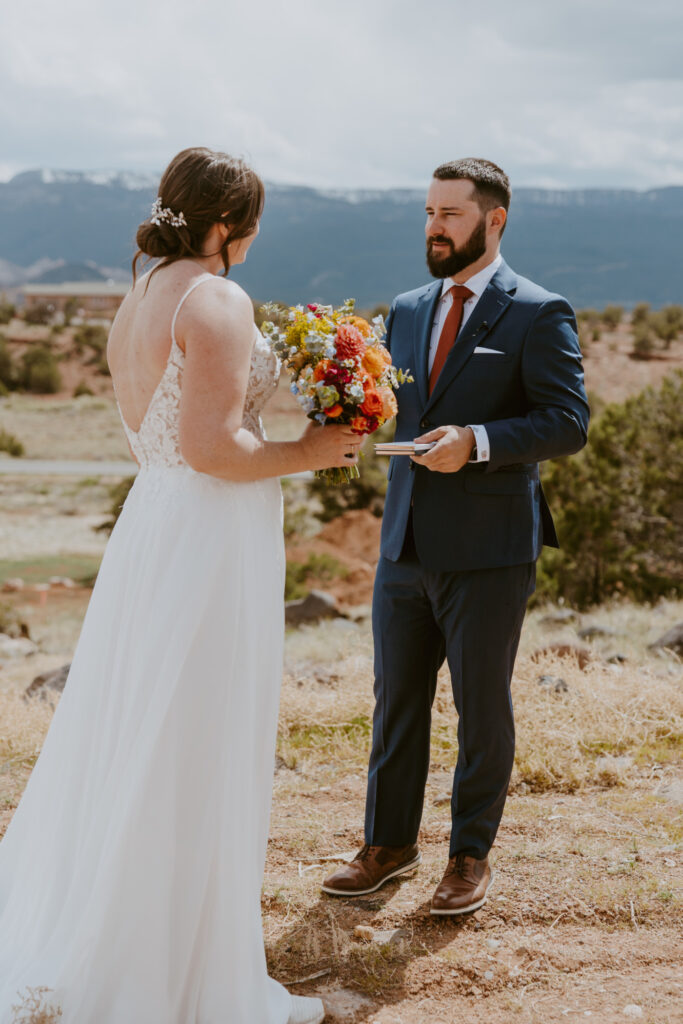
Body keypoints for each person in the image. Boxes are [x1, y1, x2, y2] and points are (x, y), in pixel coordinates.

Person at [0, 148, 356, 1024]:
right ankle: (172, 975)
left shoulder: (141, 296)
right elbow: (213, 448)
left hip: (156, 524)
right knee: (195, 731)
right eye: (254, 223)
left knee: (143, 727)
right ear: (229, 225)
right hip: (209, 531)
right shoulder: (216, 298)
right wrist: (315, 452)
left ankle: (122, 929)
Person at [322, 158, 589, 915]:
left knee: (481, 707)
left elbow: (567, 423)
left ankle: (468, 857)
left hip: (490, 548)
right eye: (429, 213)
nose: (434, 228)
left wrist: (473, 439)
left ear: (493, 219)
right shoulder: (404, 309)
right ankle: (386, 847)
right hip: (402, 542)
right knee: (395, 702)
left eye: (450, 214)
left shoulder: (540, 311)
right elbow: (387, 406)